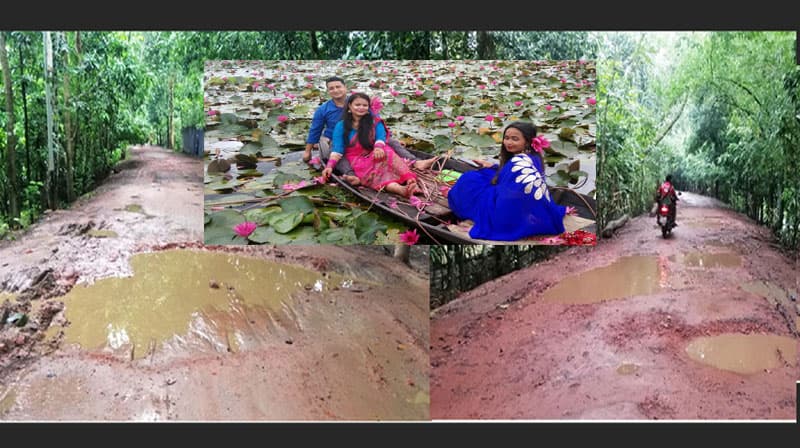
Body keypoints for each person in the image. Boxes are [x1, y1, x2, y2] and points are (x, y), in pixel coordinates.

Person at [446, 121, 575, 241]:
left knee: (470, 180)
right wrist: (492, 166)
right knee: (482, 175)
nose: (508, 142)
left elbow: (506, 185)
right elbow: (508, 175)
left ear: (528, 142)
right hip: (522, 199)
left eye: (515, 139)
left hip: (510, 202)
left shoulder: (517, 161)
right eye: (506, 138)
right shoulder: (534, 157)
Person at [303, 76, 437, 175]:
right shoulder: (323, 110)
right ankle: (351, 175)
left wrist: (386, 136)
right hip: (340, 139)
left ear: (345, 88)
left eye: (338, 87)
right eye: (331, 88)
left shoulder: (359, 101)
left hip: (365, 135)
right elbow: (315, 131)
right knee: (338, 153)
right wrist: (308, 152)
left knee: (391, 143)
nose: (336, 90)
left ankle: (416, 162)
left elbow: (377, 122)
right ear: (328, 91)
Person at [321, 93, 421, 197]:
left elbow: (380, 137)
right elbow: (337, 149)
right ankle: (399, 189)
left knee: (386, 150)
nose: (361, 108)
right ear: (350, 106)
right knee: (375, 173)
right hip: (356, 159)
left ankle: (411, 181)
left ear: (368, 107)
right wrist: (329, 166)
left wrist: (378, 148)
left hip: (373, 153)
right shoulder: (341, 125)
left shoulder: (374, 122)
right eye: (357, 105)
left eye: (365, 105)